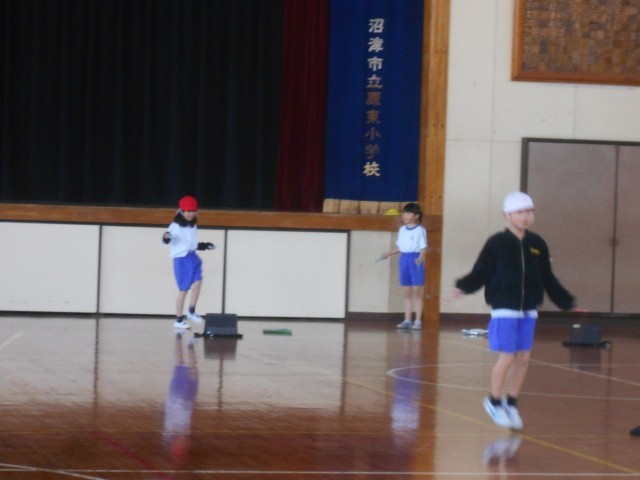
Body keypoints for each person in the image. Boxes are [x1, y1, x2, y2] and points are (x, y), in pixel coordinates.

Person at [447, 191, 583, 430]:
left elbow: (548, 277)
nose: (526, 216)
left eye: (530, 211)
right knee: (508, 356)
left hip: (528, 308)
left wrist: (567, 303)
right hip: (504, 308)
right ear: (507, 216)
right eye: (520, 212)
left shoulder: (537, 244)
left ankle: (511, 403)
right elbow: (481, 271)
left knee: (523, 359)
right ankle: (494, 402)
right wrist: (462, 288)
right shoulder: (496, 243)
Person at [163, 195, 215, 329]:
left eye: (193, 211)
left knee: (198, 281)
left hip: (192, 257)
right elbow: (168, 237)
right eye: (187, 211)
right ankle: (179, 319)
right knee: (184, 289)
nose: (190, 214)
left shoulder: (192, 226)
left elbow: (192, 244)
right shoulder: (175, 226)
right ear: (182, 211)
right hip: (181, 259)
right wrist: (166, 237)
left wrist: (205, 245)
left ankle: (191, 310)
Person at [381, 202, 428, 330]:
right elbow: (401, 247)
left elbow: (423, 247)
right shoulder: (402, 229)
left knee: (417, 292)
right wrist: (389, 253)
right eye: (404, 213)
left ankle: (418, 321)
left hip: (415, 259)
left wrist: (421, 257)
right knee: (407, 292)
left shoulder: (420, 230)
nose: (405, 216)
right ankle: (407, 320)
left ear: (416, 216)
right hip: (404, 260)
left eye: (408, 213)